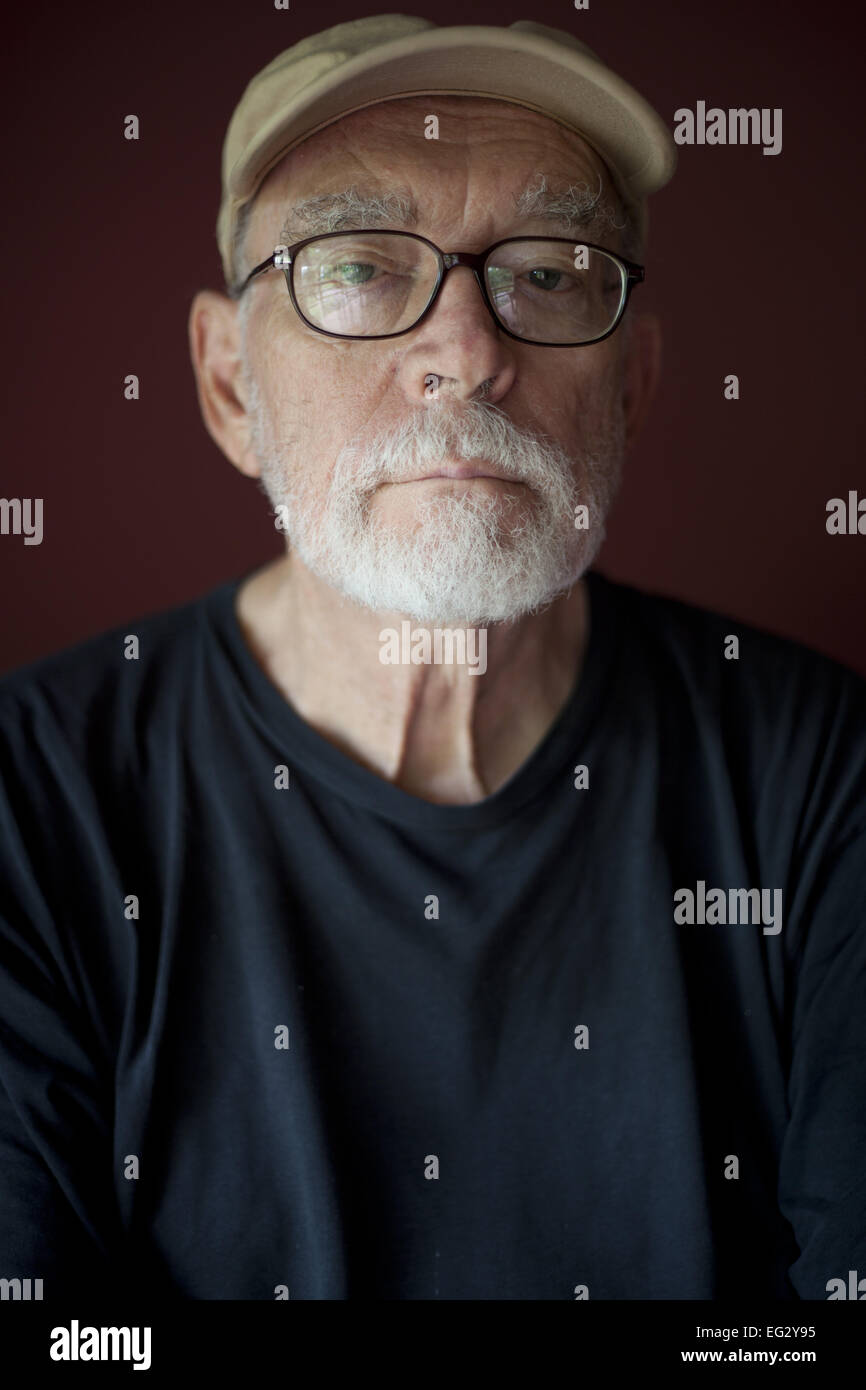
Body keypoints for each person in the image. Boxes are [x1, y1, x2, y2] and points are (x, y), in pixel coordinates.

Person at [1, 15, 863, 1302]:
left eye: (551, 271)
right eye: (354, 265)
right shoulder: (31, 797)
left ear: (628, 386)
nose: (465, 352)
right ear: (230, 384)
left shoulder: (822, 775)